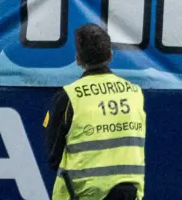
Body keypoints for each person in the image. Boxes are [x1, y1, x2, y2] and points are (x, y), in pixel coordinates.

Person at [43, 23, 145, 200]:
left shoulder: (69, 96)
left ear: (78, 59)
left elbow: (53, 157)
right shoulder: (134, 93)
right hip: (128, 194)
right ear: (111, 55)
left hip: (82, 194)